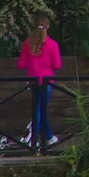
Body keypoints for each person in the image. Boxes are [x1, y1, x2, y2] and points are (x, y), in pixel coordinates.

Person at [17, 13, 63, 149]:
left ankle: (49, 137)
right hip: (47, 81)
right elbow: (57, 65)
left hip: (33, 82)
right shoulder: (52, 45)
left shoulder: (27, 44)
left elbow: (21, 64)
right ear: (47, 26)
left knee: (39, 109)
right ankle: (36, 138)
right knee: (40, 110)